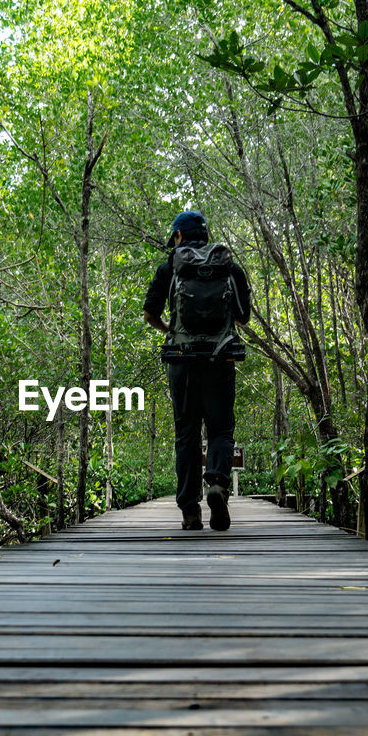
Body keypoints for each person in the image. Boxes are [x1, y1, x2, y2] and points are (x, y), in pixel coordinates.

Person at [143, 210, 251, 531]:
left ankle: (190, 511)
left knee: (186, 435)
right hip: (221, 359)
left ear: (178, 236)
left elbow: (150, 313)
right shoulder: (228, 267)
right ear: (204, 235)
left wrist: (172, 330)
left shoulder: (170, 267)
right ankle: (217, 483)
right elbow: (243, 317)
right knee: (220, 429)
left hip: (181, 360)